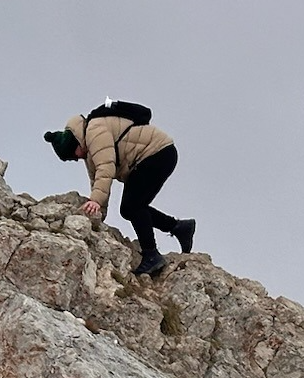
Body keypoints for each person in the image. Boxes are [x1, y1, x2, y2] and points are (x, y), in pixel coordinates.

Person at [44, 109, 195, 276]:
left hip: (157, 153)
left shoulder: (95, 132)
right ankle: (178, 227)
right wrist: (98, 215)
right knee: (130, 208)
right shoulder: (88, 148)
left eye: (74, 155)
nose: (77, 158)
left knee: (133, 207)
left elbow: (105, 169)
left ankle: (152, 254)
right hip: (154, 156)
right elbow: (97, 181)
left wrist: (96, 200)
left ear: (75, 144)